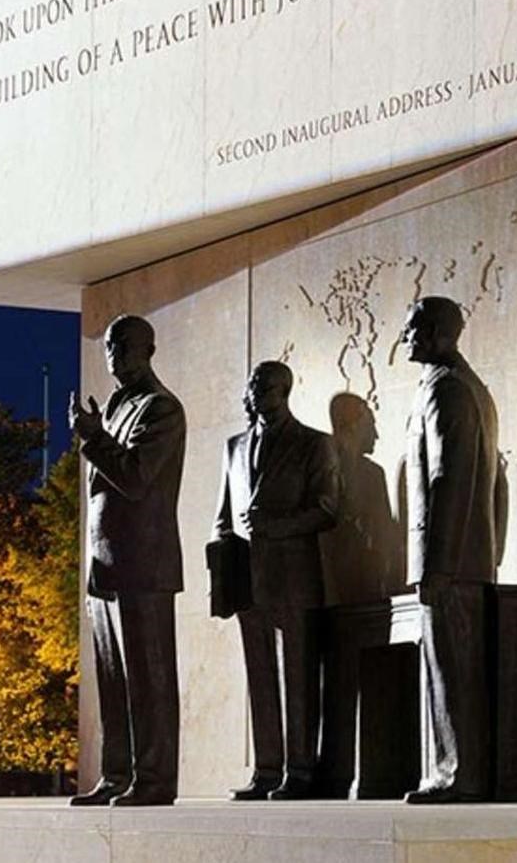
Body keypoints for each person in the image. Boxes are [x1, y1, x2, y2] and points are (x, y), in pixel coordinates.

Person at [68, 314, 186, 807]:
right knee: (113, 681)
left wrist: (93, 438)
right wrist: (96, 433)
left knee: (149, 676)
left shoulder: (161, 409)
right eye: (109, 346)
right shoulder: (118, 407)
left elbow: (137, 478)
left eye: (123, 345)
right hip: (107, 564)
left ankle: (154, 779)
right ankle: (116, 775)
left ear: (149, 349)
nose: (113, 353)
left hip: (145, 562)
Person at [213, 361, 339, 800]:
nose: (255, 393)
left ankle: (300, 770)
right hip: (247, 580)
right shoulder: (233, 447)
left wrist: (276, 525)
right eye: (252, 386)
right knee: (260, 677)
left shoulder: (314, 444)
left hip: (294, 577)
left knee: (299, 678)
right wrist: (223, 551)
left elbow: (327, 509)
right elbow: (223, 517)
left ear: (284, 391)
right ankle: (266, 769)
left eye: (264, 386)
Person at [400, 296, 506, 804]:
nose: (405, 336)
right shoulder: (471, 389)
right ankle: (454, 772)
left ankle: (454, 774)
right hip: (468, 560)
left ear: (440, 332)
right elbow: (498, 485)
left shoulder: (448, 391)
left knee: (452, 670)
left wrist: (437, 564)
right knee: (454, 668)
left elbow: (449, 480)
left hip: (451, 563)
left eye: (414, 328)